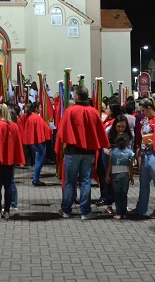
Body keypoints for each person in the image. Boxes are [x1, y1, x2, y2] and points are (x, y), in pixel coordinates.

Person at [55, 86, 110, 220]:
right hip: (89, 152)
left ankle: (66, 210)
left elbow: (62, 132)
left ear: (78, 97)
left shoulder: (70, 111)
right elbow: (100, 131)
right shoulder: (94, 112)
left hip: (72, 151)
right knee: (85, 181)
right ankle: (85, 212)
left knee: (70, 181)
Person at [0, 104, 25, 219]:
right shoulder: (14, 126)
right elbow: (17, 143)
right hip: (9, 158)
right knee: (8, 184)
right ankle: (7, 211)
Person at [21, 101, 52, 186]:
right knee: (40, 159)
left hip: (31, 141)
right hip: (37, 141)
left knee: (38, 157)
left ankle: (36, 178)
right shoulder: (37, 118)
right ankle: (36, 178)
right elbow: (46, 128)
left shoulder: (28, 116)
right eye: (40, 107)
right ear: (36, 109)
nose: (41, 108)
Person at [106, 134, 135, 220]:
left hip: (115, 175)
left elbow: (109, 165)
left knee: (117, 195)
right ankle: (124, 213)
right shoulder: (129, 152)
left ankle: (118, 213)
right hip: (125, 175)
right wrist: (132, 176)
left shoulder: (113, 152)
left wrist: (107, 176)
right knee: (124, 194)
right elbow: (131, 166)